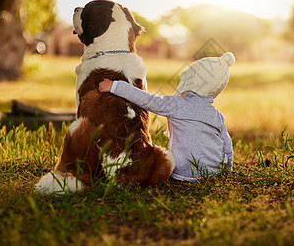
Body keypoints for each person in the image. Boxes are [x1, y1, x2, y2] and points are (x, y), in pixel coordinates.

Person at [99, 52, 235, 182]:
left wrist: (115, 86)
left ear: (192, 78)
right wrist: (227, 171)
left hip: (184, 173)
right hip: (213, 172)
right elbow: (227, 145)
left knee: (151, 149)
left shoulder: (177, 104)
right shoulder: (216, 115)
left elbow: (147, 100)